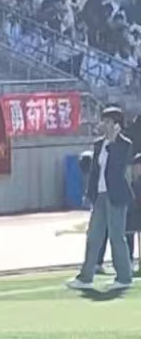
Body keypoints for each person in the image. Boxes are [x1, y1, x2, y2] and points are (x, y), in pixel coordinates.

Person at [67, 106, 135, 292]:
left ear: (116, 124)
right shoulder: (98, 144)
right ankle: (85, 277)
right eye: (103, 121)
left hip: (116, 195)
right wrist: (90, 193)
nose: (103, 124)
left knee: (116, 236)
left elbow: (117, 168)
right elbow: (95, 172)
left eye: (107, 121)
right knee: (93, 236)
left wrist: (112, 142)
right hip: (100, 195)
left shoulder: (124, 144)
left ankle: (124, 277)